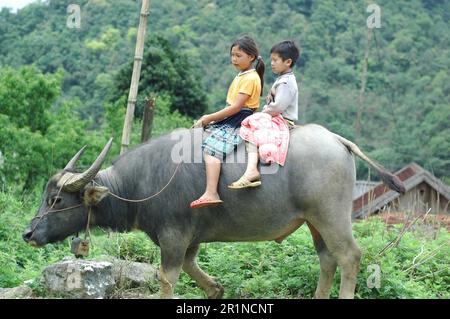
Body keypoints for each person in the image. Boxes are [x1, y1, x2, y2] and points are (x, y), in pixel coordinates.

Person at [190, 36, 265, 209]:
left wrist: (210, 117)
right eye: (232, 55)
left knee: (211, 150)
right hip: (233, 116)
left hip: (239, 119)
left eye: (238, 56)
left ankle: (211, 192)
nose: (234, 59)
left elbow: (237, 107)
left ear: (251, 57)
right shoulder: (242, 75)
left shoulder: (250, 78)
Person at [228, 40, 300, 189]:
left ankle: (251, 170)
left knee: (252, 125)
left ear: (288, 62)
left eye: (275, 60)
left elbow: (278, 106)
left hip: (281, 119)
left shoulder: (286, 82)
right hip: (276, 116)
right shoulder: (283, 79)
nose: (272, 63)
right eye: (271, 59)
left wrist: (265, 111)